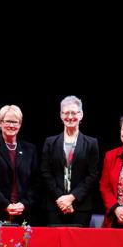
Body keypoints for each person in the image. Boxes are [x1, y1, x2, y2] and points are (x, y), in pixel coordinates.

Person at [41, 95, 99, 227]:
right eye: (66, 112)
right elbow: (45, 172)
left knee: (78, 246)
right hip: (55, 205)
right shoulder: (50, 142)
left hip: (81, 206)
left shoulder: (91, 143)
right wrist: (61, 199)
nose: (70, 116)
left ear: (81, 115)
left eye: (74, 112)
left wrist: (71, 198)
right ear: (61, 115)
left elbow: (93, 175)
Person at [0, 105, 40, 225]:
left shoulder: (30, 149)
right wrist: (5, 205)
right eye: (8, 121)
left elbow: (36, 182)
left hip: (23, 214)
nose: (12, 125)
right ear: (0, 123)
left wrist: (24, 204)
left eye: (15, 122)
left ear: (20, 124)